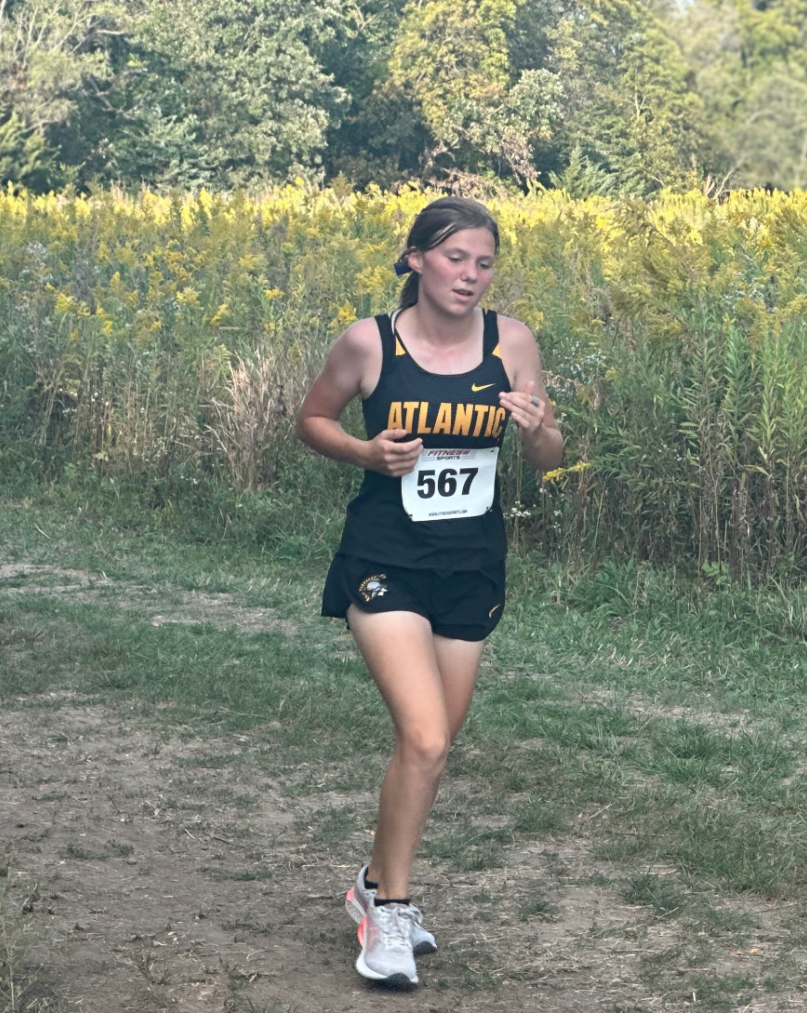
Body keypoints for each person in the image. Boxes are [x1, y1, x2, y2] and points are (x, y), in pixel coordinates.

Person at [296, 196, 563, 988]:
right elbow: (311, 420)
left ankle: (370, 884)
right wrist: (364, 452)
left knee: (434, 743)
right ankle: (391, 917)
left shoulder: (511, 341)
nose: (471, 276)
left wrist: (537, 426)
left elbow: (548, 456)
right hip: (385, 556)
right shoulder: (370, 341)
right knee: (425, 737)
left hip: (471, 562)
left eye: (484, 263)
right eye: (455, 259)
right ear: (416, 259)